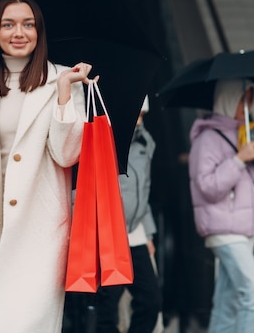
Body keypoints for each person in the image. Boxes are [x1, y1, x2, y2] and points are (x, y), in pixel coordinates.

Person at [0, 0, 94, 333]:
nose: (19, 32)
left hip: (39, 234)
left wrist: (63, 95)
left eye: (28, 24)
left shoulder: (62, 79)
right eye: (8, 24)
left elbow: (67, 154)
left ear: (40, 32)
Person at [188, 79, 254, 333]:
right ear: (227, 99)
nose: (247, 106)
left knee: (226, 305)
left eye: (250, 99)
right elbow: (207, 186)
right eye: (243, 99)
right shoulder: (206, 138)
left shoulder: (247, 134)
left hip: (243, 230)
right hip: (224, 230)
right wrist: (239, 160)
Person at [95, 96, 162, 333]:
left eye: (143, 116)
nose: (139, 121)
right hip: (108, 236)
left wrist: (149, 232)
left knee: (150, 300)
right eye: (136, 114)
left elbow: (144, 190)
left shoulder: (146, 142)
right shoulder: (102, 139)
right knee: (107, 305)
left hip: (136, 233)